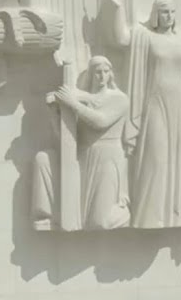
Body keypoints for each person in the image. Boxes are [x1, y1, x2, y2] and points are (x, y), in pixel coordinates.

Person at [100, 0, 181, 228]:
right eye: (164, 12)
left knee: (177, 159)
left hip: (180, 105)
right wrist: (117, 8)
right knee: (156, 157)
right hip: (155, 103)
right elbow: (121, 37)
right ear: (156, 14)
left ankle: (174, 215)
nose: (169, 16)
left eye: (172, 11)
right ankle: (149, 216)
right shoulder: (146, 36)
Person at [48, 56, 133, 229]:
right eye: (97, 72)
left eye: (105, 72)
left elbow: (101, 121)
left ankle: (125, 211)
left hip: (108, 157)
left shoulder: (119, 98)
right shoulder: (83, 100)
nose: (101, 76)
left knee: (101, 222)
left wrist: (73, 102)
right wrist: (54, 113)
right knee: (86, 219)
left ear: (111, 74)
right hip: (86, 156)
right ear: (91, 75)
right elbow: (70, 138)